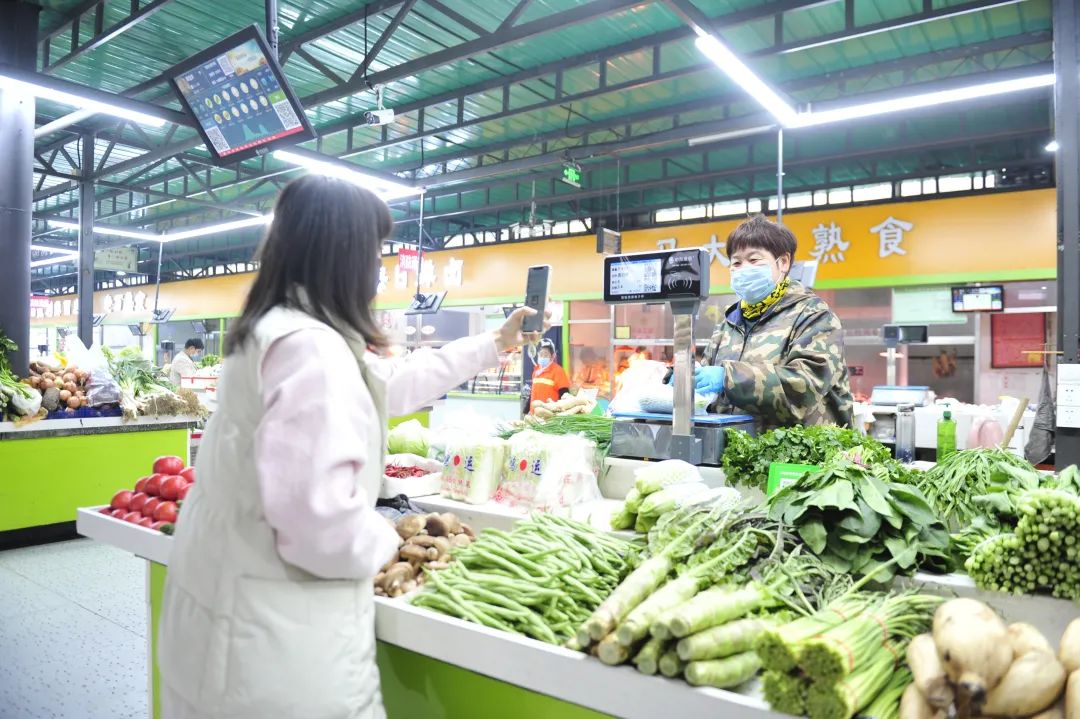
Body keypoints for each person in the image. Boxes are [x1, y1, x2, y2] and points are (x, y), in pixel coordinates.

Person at [157, 174, 540, 719]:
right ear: (345, 253)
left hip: (231, 621)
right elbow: (317, 524)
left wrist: (492, 344)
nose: (379, 269)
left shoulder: (282, 330)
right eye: (376, 252)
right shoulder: (311, 350)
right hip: (275, 650)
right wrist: (389, 543)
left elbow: (390, 384)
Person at [692, 215, 853, 431]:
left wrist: (728, 378)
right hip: (734, 453)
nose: (743, 268)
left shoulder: (813, 315)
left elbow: (804, 387)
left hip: (796, 459)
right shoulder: (730, 321)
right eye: (736, 262)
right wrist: (685, 376)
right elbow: (707, 381)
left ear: (783, 262)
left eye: (754, 260)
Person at [529, 338, 570, 412]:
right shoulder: (536, 371)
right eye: (541, 354)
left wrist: (562, 411)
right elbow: (532, 393)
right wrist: (525, 411)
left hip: (550, 414)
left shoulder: (558, 371)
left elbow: (564, 393)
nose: (543, 357)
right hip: (534, 414)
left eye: (546, 354)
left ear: (552, 356)